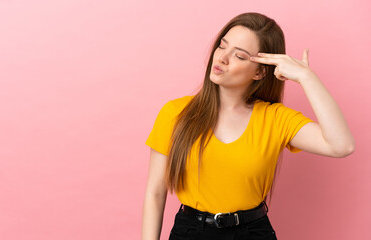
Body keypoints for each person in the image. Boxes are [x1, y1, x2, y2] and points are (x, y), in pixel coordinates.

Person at [141, 12, 355, 240]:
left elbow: (341, 145)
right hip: (190, 231)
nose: (222, 58)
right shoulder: (175, 113)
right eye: (222, 46)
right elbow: (155, 194)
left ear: (260, 71)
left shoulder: (275, 119)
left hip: (252, 232)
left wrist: (306, 77)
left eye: (240, 56)